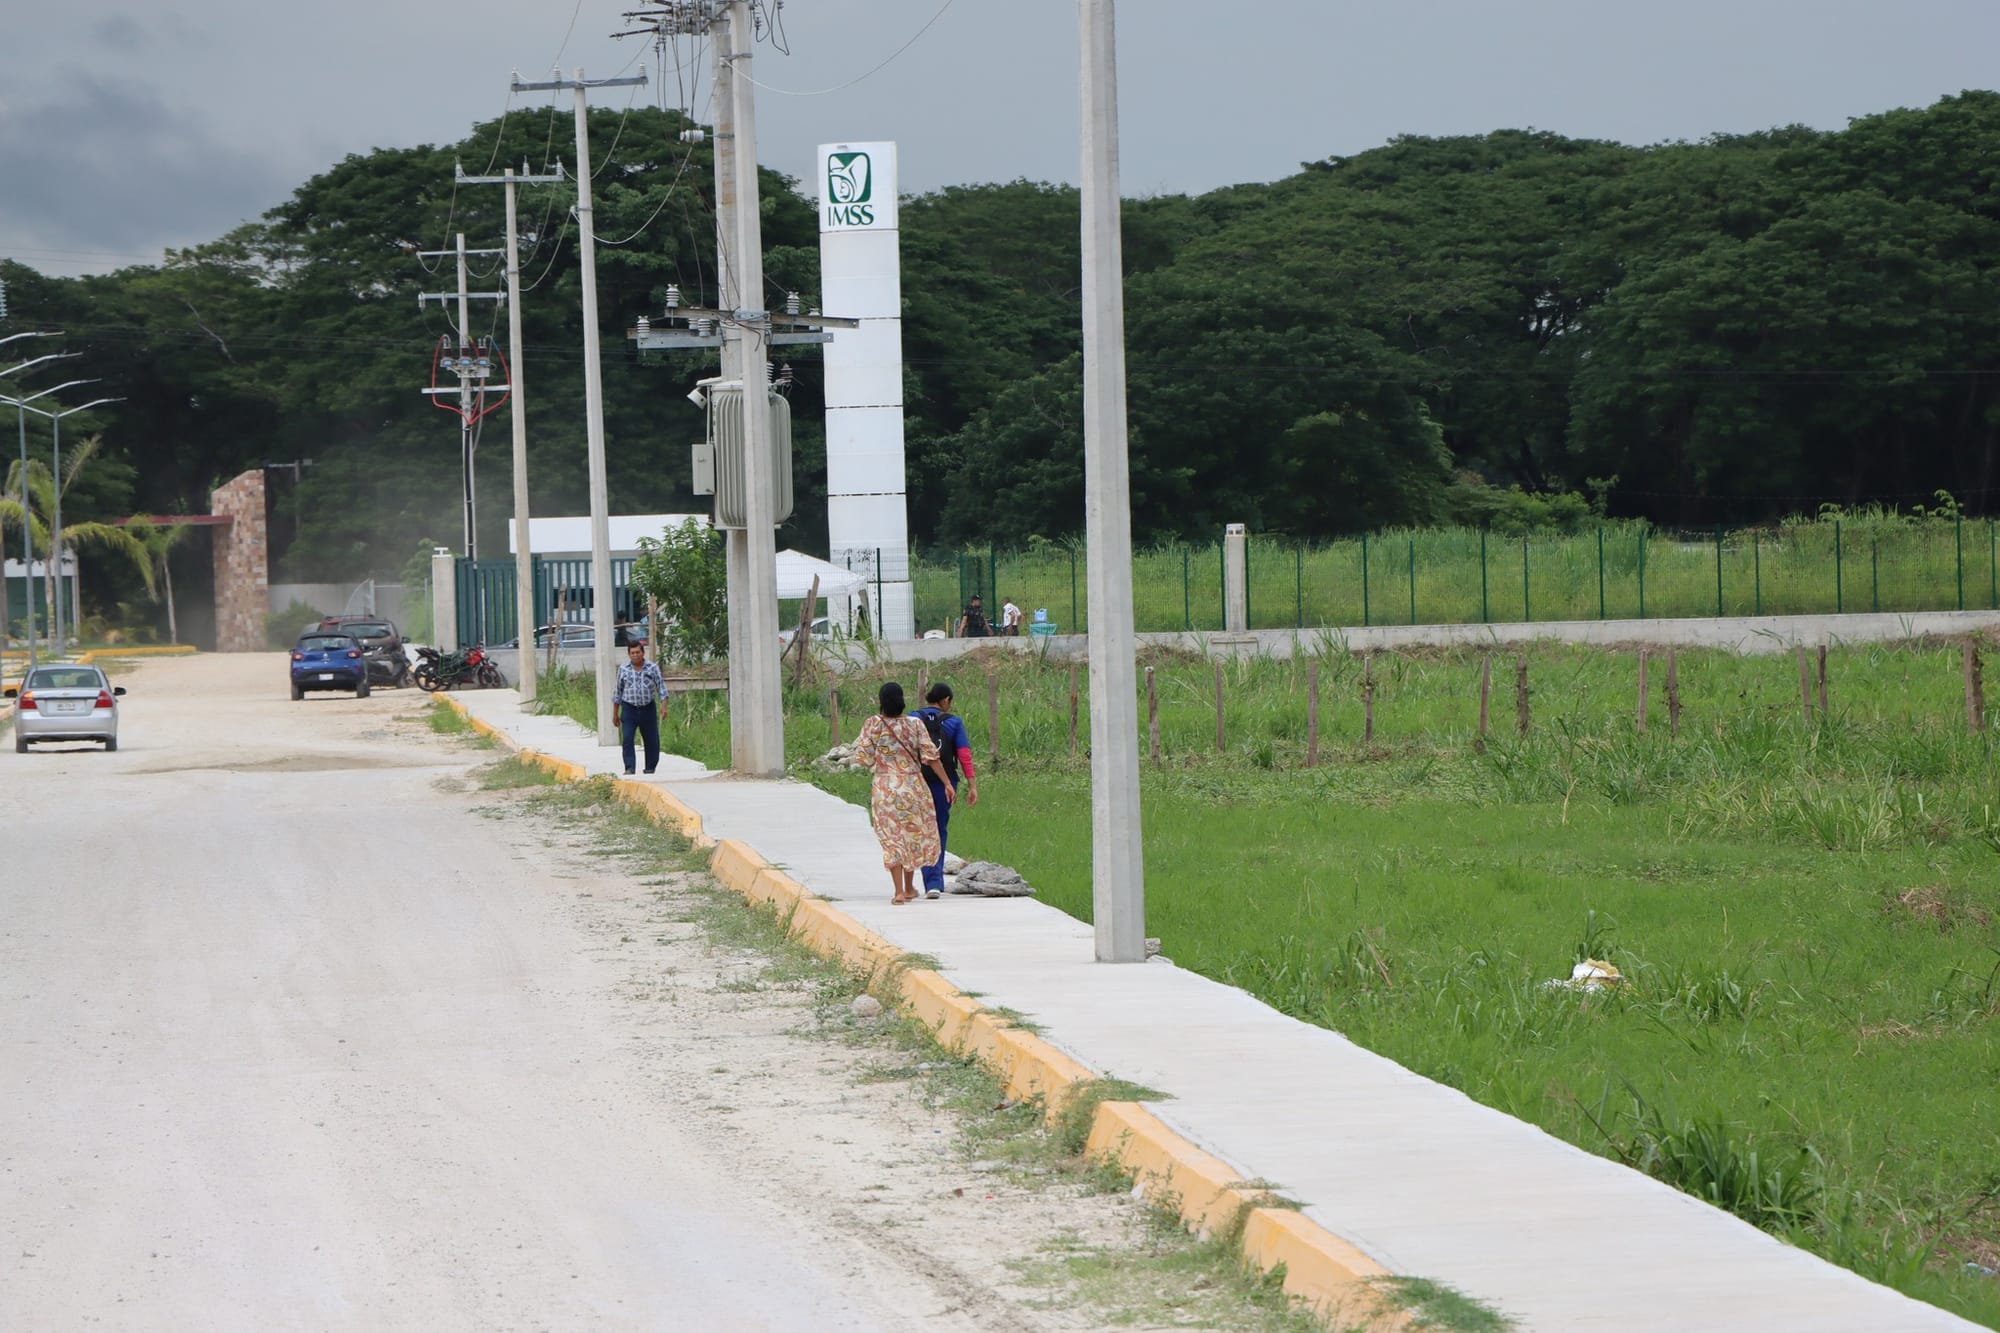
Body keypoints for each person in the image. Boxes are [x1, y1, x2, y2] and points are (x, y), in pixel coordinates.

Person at [855, 681, 956, 904]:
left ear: (881, 701)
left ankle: (899, 891)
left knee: (892, 838)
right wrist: (947, 783)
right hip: (913, 786)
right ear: (902, 700)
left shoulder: (873, 724)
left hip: (885, 788)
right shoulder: (915, 724)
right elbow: (931, 758)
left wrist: (882, 762)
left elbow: (863, 757)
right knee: (911, 835)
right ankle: (910, 888)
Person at [913, 682, 979, 899]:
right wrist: (972, 785)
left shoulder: (912, 718)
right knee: (938, 828)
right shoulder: (953, 722)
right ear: (946, 700)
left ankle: (926, 879)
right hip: (945, 783)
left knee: (922, 828)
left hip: (915, 782)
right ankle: (935, 882)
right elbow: (964, 754)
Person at [612, 641, 667, 776]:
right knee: (627, 738)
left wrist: (664, 707)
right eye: (632, 653)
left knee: (651, 739)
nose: (635, 655)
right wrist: (615, 714)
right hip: (629, 709)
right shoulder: (623, 669)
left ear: (643, 653)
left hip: (647, 708)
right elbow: (618, 692)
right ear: (629, 654)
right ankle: (629, 767)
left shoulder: (652, 668)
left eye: (638, 652)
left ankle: (650, 767)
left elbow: (661, 688)